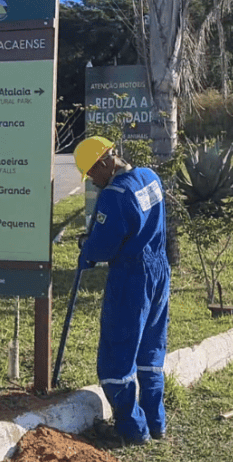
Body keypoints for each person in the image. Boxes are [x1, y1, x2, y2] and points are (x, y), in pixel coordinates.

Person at [74, 136, 171, 445]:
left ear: (105, 162)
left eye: (91, 172)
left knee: (117, 356)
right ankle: (156, 423)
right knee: (150, 351)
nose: (92, 180)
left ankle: (131, 429)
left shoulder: (114, 195)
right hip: (159, 270)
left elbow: (102, 247)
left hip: (132, 277)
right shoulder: (149, 176)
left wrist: (86, 249)